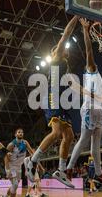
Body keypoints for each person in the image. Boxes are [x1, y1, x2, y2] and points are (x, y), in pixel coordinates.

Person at [24, 16, 80, 188]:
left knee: (69, 136)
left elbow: (74, 85)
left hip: (61, 100)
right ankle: (32, 161)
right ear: (57, 51)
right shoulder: (57, 58)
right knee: (56, 133)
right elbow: (67, 33)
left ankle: (61, 171)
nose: (66, 50)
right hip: (53, 97)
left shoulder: (65, 66)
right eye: (63, 48)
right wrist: (76, 16)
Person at [66, 18, 102, 186]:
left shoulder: (95, 79)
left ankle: (98, 173)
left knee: (96, 145)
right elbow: (89, 51)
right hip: (88, 109)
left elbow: (100, 98)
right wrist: (86, 31)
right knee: (83, 140)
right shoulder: (91, 69)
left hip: (98, 110)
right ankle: (69, 168)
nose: (93, 63)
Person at [1, 128, 34, 197]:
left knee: (14, 186)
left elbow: (31, 152)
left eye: (22, 132)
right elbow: (6, 157)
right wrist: (7, 170)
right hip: (11, 167)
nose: (21, 133)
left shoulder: (25, 143)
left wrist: (35, 158)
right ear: (15, 134)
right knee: (15, 185)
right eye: (19, 132)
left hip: (19, 167)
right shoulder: (11, 145)